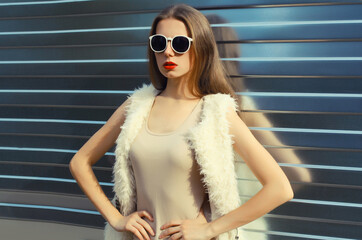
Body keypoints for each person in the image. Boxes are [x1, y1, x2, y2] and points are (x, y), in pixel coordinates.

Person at [69, 4, 294, 240]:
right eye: (159, 43)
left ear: (202, 48)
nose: (168, 52)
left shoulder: (216, 112)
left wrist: (210, 228)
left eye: (179, 44)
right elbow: (80, 162)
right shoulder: (136, 106)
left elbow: (279, 188)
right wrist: (116, 219)